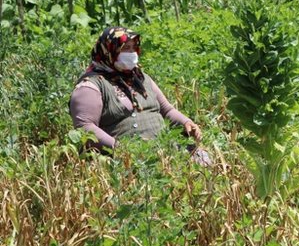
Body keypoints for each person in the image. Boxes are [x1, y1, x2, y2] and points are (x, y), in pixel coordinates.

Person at [69, 27, 209, 164]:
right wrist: (121, 150)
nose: (131, 53)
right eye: (125, 48)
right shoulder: (91, 86)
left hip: (166, 151)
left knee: (206, 164)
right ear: (109, 50)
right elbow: (85, 127)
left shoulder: (141, 78)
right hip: (128, 160)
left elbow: (167, 110)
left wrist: (186, 122)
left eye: (133, 48)